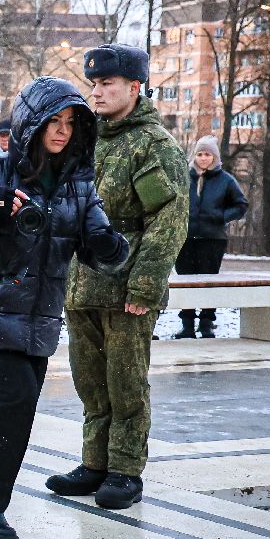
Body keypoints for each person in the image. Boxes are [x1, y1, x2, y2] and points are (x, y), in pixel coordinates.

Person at [0, 79, 128, 539]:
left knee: (15, 409)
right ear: (31, 124)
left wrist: (108, 244)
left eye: (69, 124)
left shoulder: (79, 182)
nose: (61, 132)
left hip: (40, 315)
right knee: (16, 400)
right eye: (52, 122)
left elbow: (104, 249)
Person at [47, 44, 186, 511]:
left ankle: (125, 470)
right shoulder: (88, 140)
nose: (98, 92)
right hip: (82, 281)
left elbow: (167, 220)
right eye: (95, 84)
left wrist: (145, 286)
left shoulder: (153, 145)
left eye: (108, 84)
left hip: (126, 284)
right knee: (90, 381)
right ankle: (95, 462)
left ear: (134, 87)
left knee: (126, 382)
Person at [174, 135, 248, 338]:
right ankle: (187, 325)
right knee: (185, 282)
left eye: (207, 154)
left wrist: (222, 217)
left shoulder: (225, 180)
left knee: (209, 282)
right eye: (199, 154)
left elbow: (241, 205)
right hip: (185, 239)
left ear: (214, 157)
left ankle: (206, 324)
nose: (203, 158)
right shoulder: (183, 177)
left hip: (212, 239)